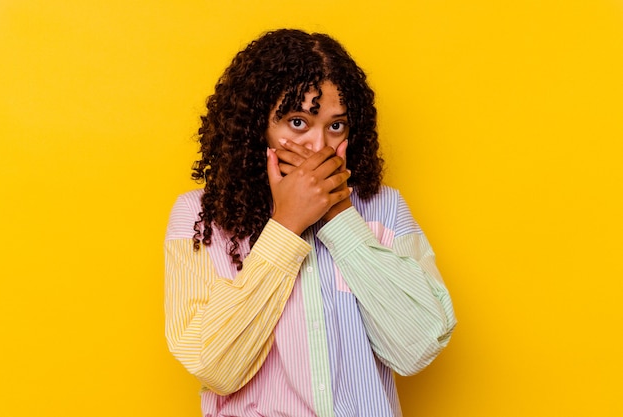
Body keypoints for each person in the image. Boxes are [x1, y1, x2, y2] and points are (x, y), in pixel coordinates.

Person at [164, 28, 456, 417]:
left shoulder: (384, 210)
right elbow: (214, 365)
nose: (319, 148)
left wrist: (339, 216)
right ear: (258, 126)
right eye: (298, 123)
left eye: (336, 126)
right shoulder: (201, 219)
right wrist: (285, 225)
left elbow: (417, 346)